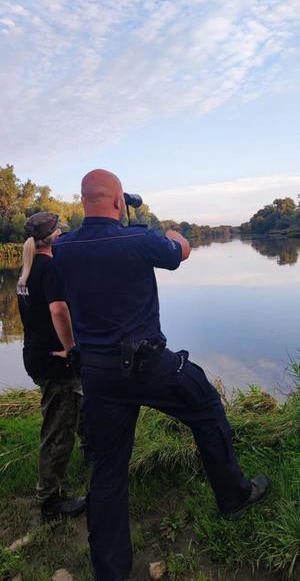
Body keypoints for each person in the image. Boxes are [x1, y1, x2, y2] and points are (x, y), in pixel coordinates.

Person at [53, 170, 270, 581]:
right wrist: (173, 232)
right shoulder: (139, 238)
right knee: (205, 405)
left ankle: (110, 570)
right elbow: (180, 252)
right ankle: (235, 495)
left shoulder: (62, 248)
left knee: (108, 468)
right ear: (119, 201)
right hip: (151, 366)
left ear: (83, 202)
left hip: (98, 374)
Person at [17, 211, 86, 522]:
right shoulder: (51, 266)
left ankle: (92, 451)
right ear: (53, 237)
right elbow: (58, 310)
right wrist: (70, 349)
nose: (63, 233)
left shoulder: (29, 269)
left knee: (78, 404)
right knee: (58, 429)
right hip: (53, 358)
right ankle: (50, 501)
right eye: (60, 230)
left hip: (35, 353)